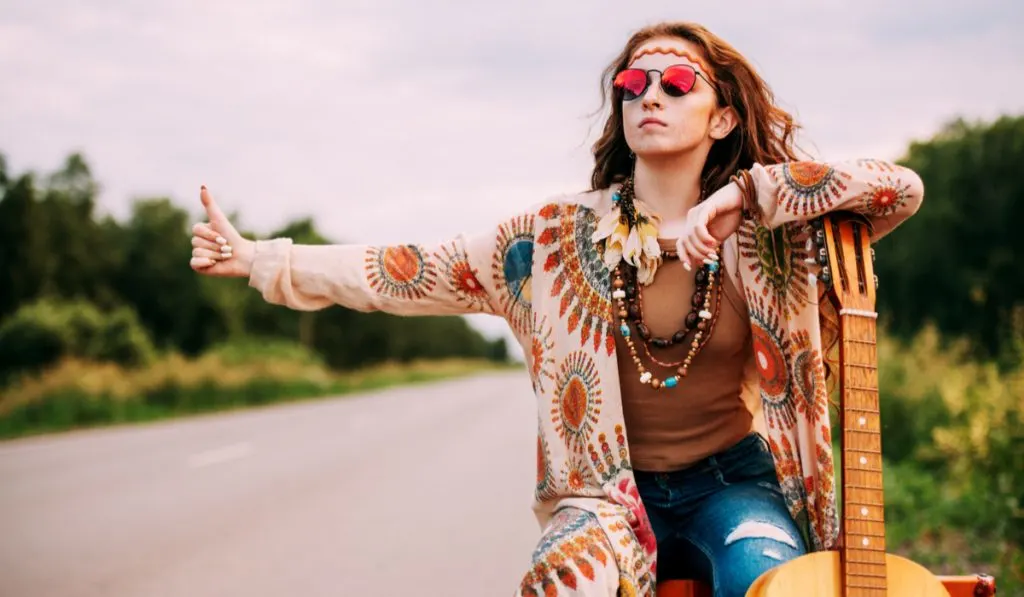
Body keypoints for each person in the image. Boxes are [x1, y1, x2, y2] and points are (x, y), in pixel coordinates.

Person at [190, 21, 923, 597]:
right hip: (604, 495)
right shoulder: (549, 240)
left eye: (676, 81)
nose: (651, 95)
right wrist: (262, 259)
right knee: (563, 578)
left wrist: (746, 195)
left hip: (734, 485)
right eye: (635, 83)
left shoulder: (770, 237)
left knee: (768, 581)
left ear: (723, 118)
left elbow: (898, 188)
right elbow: (405, 270)